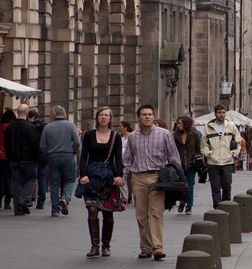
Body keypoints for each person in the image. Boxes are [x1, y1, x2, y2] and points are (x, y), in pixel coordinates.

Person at [124, 104, 179, 260]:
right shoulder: (133, 136)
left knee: (156, 213)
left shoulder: (164, 134)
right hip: (138, 177)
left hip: (157, 177)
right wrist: (122, 177)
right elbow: (127, 159)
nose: (147, 117)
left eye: (149, 114)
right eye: (144, 114)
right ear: (139, 117)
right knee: (141, 215)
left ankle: (158, 248)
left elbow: (174, 157)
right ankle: (146, 248)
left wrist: (174, 176)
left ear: (153, 117)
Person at [77, 107, 124, 258]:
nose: (103, 118)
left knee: (108, 212)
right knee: (92, 209)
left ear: (110, 118)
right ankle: (94, 246)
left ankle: (106, 246)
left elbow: (118, 158)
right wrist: (82, 174)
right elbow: (83, 156)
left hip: (109, 178)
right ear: (97, 118)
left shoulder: (116, 136)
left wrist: (120, 176)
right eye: (101, 115)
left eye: (106, 115)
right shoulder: (89, 135)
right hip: (92, 177)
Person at [39, 106, 81, 217]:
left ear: (53, 114)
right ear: (64, 113)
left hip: (53, 157)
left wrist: (47, 155)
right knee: (70, 180)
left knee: (54, 184)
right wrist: (73, 151)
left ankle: (55, 210)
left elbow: (42, 146)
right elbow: (77, 141)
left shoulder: (47, 127)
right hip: (67, 155)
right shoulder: (70, 125)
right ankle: (65, 197)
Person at [202, 104, 242, 207]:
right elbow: (203, 144)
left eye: (223, 112)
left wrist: (234, 153)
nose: (221, 115)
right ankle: (217, 209)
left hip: (227, 161)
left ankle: (226, 207)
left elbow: (238, 141)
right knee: (215, 188)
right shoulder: (208, 127)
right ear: (215, 113)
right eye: (219, 112)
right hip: (213, 162)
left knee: (227, 186)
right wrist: (208, 154)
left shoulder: (231, 126)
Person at [4, 103, 39, 215]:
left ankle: (17, 209)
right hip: (28, 160)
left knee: (15, 183)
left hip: (14, 159)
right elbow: (35, 145)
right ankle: (23, 200)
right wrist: (36, 158)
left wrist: (9, 156)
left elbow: (6, 144)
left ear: (17, 113)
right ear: (27, 113)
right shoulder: (30, 127)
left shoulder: (10, 127)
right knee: (30, 179)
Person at [172, 116, 203, 214]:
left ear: (186, 124)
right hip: (179, 164)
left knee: (189, 185)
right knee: (181, 185)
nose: (178, 125)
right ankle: (182, 201)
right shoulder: (175, 135)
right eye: (178, 123)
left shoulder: (194, 134)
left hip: (191, 164)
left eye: (180, 123)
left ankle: (189, 206)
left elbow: (198, 150)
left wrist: (196, 160)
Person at [0, 109, 14, 211]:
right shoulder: (13, 127)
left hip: (0, 155)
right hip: (10, 156)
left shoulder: (0, 128)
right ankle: (8, 201)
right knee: (9, 177)